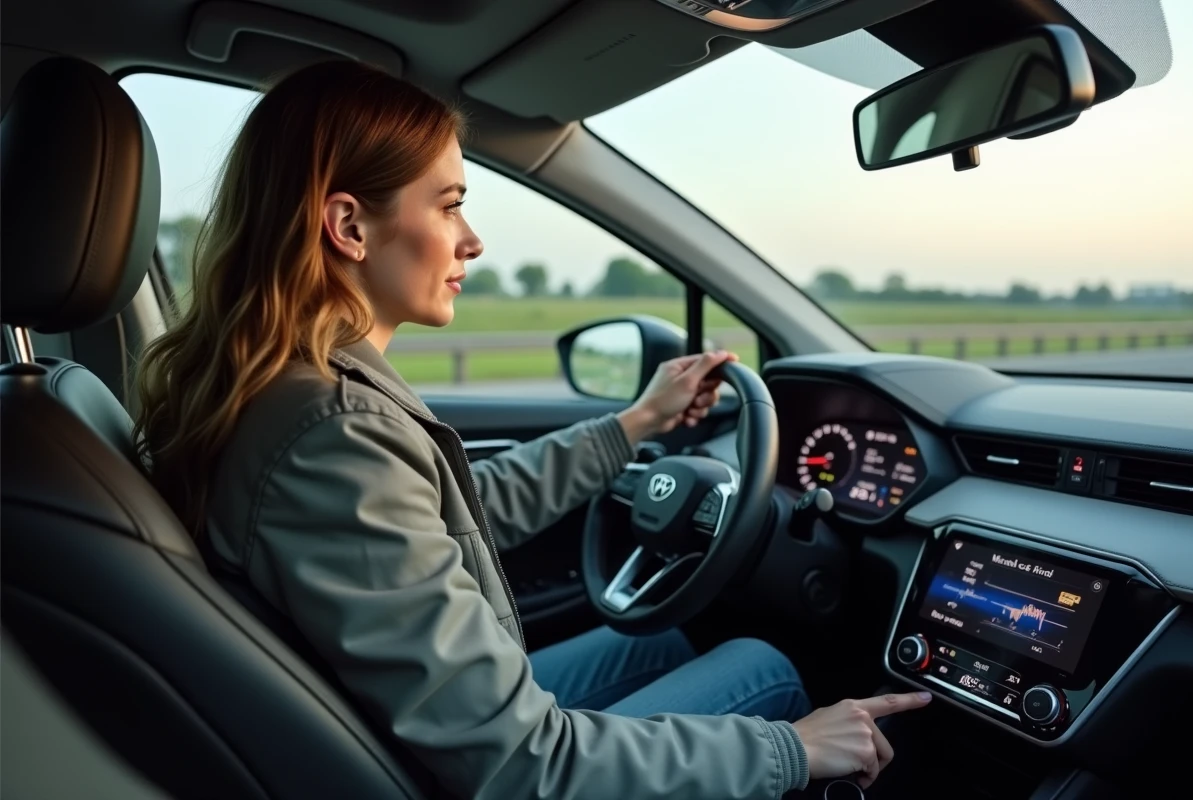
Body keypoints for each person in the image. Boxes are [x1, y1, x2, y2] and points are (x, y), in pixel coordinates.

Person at [133, 60, 930, 799]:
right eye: (450, 205)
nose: (472, 240)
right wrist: (793, 749)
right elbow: (523, 764)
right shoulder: (333, 433)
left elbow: (456, 511)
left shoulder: (286, 394)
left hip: (395, 745)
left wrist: (635, 425)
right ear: (349, 226)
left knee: (659, 642)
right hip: (449, 774)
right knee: (765, 671)